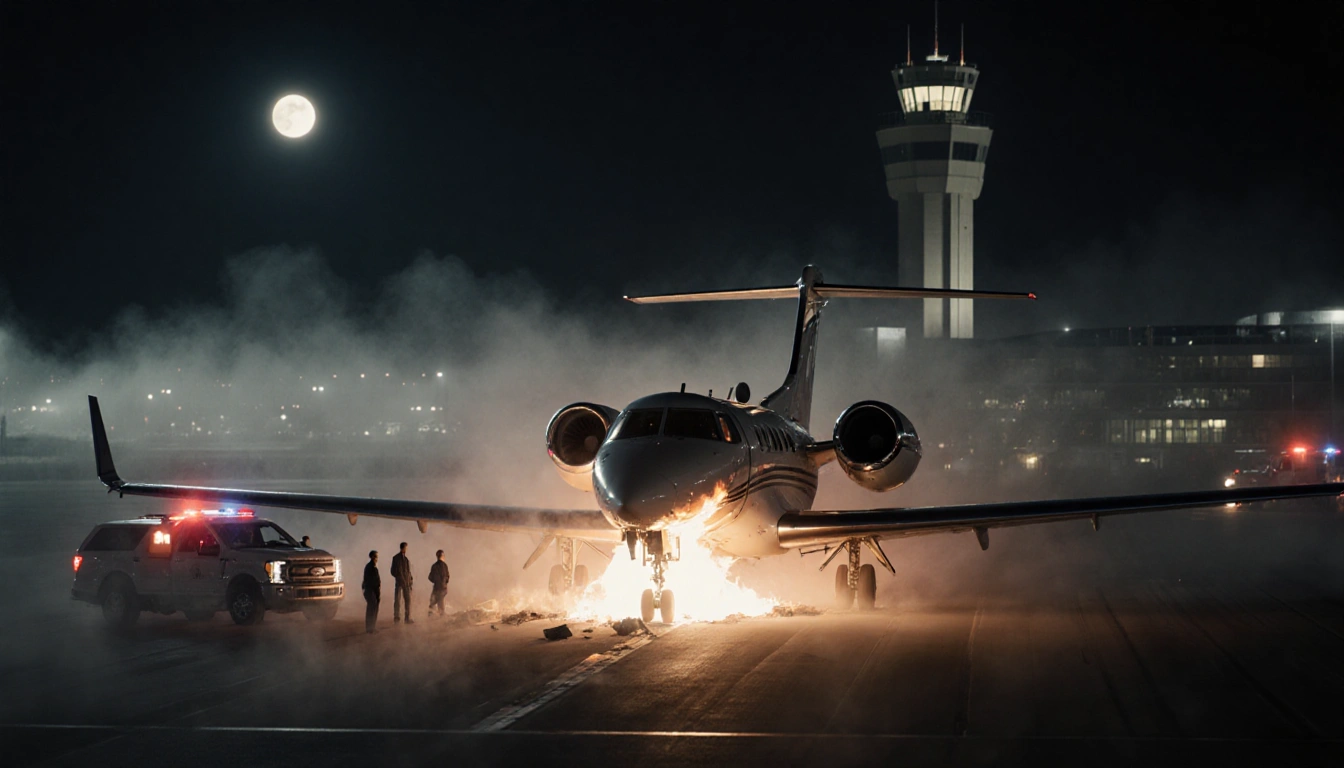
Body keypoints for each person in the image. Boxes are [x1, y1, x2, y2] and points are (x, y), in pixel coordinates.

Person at [390, 541, 414, 624]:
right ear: (403, 548)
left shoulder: (406, 559)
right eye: (406, 548)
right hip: (399, 583)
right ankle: (397, 617)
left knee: (408, 600)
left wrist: (410, 580)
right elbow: (393, 571)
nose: (407, 549)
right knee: (398, 600)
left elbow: (408, 571)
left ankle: (407, 618)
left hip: (407, 583)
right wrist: (399, 578)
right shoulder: (395, 558)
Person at [361, 550, 380, 634]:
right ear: (372, 557)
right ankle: (370, 628)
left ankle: (371, 627)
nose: (377, 558)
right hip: (371, 590)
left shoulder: (372, 566)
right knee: (372, 608)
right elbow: (370, 581)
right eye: (376, 556)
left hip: (372, 590)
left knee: (373, 608)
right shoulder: (370, 567)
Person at [428, 549, 450, 618]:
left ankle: (431, 617)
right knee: (440, 603)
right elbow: (448, 576)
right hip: (443, 588)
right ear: (442, 556)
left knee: (432, 603)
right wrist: (445, 583)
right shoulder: (445, 565)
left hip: (437, 587)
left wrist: (436, 581)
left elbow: (430, 577)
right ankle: (441, 617)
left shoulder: (434, 566)